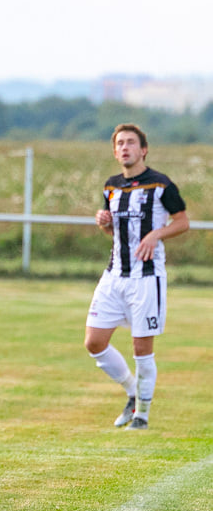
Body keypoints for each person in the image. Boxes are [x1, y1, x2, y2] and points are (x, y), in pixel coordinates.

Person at [84, 123, 189, 430]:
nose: (125, 148)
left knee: (141, 349)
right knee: (94, 341)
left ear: (143, 150)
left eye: (131, 142)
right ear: (115, 151)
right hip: (114, 275)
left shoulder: (161, 185)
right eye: (120, 144)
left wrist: (156, 234)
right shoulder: (111, 186)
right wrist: (102, 221)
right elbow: (111, 232)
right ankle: (132, 392)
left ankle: (141, 416)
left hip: (146, 278)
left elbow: (182, 222)